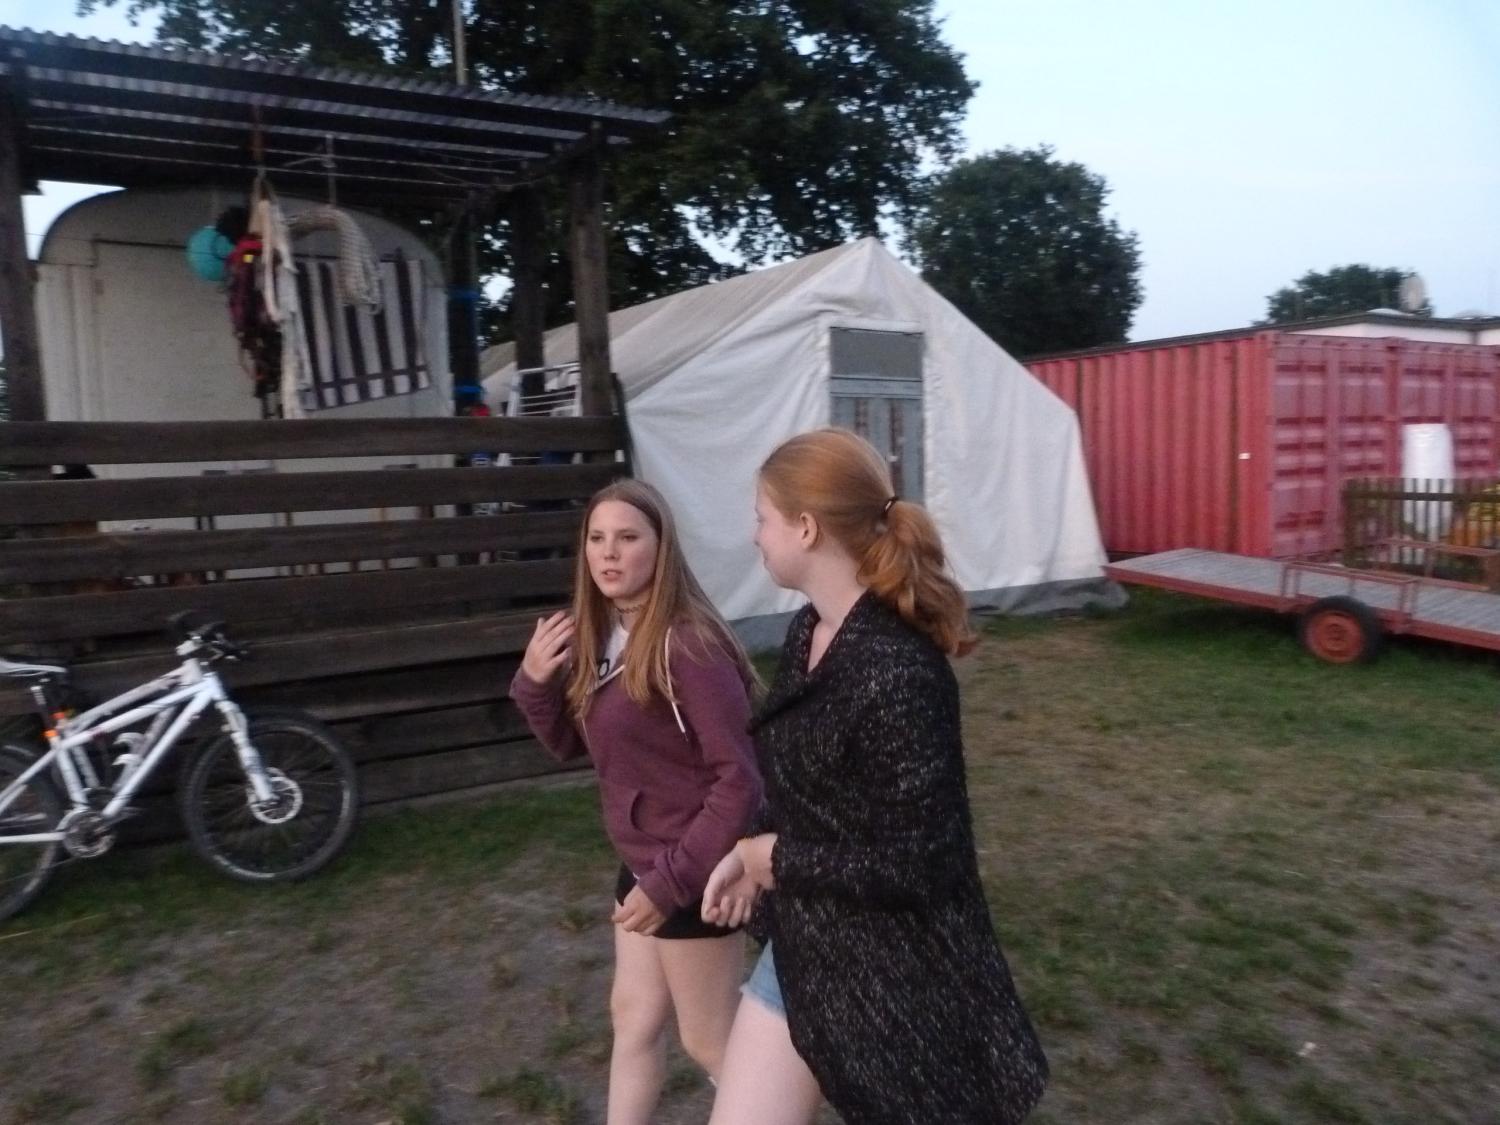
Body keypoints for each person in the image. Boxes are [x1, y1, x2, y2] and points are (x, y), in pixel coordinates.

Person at [701, 429, 1048, 1125]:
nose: (755, 535)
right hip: (805, 947)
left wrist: (775, 858)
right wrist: (751, 855)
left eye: (763, 518)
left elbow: (925, 863)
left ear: (805, 527)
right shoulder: (809, 632)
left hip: (897, 973)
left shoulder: (901, 672)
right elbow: (804, 781)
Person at [509, 479, 763, 1125]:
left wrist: (672, 881)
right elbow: (573, 744)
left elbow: (740, 780)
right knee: (634, 1016)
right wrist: (535, 681)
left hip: (695, 870)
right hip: (643, 862)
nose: (608, 552)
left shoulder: (689, 645)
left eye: (627, 537)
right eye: (597, 538)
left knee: (710, 1040)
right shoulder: (607, 634)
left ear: (661, 546)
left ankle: (775, 1104)